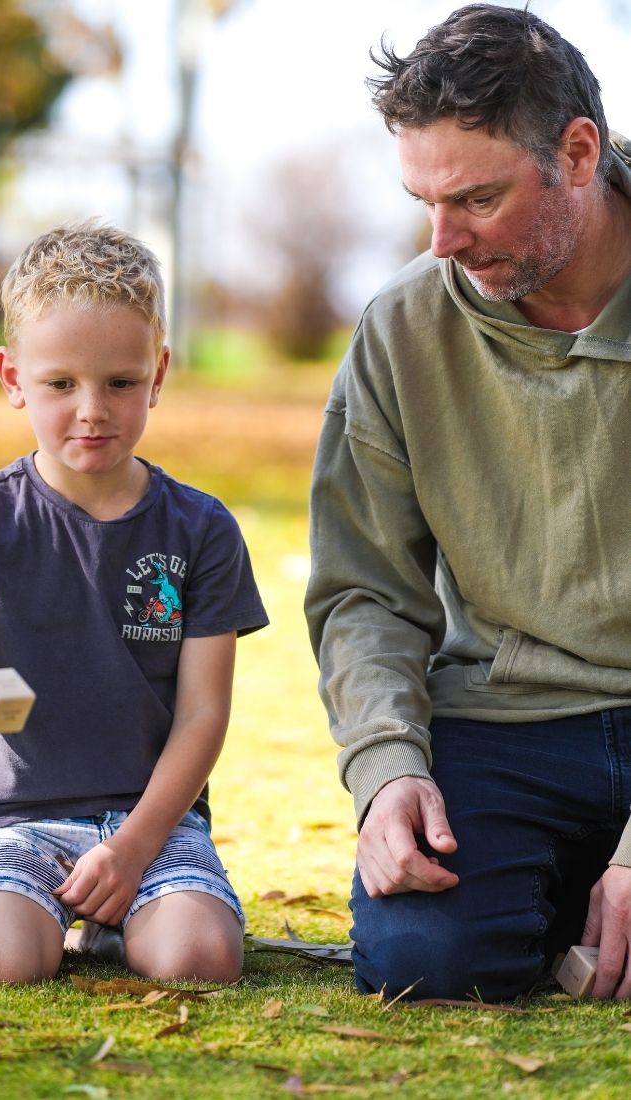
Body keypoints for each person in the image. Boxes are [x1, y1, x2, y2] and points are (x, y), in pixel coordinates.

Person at [305, 3, 631, 1002]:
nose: (439, 240)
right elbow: (365, 589)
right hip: (505, 715)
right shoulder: (401, 326)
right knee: (420, 965)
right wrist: (386, 763)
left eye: (476, 200)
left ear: (577, 153)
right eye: (422, 200)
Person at [0, 220, 268, 987]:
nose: (92, 410)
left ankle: (118, 924)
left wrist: (131, 851)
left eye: (119, 383)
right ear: (12, 376)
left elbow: (202, 715)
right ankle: (52, 918)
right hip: (11, 822)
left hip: (153, 824)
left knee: (201, 960)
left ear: (157, 374)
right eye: (61, 384)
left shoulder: (202, 530)